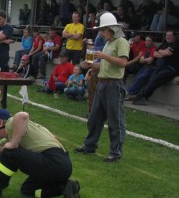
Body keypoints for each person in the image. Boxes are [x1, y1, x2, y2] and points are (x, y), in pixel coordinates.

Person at [0, 109, 81, 198]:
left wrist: (14, 143)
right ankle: (65, 187)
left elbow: (23, 116)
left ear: (1, 122)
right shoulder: (15, 133)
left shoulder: (10, 123)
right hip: (60, 165)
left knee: (9, 151)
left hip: (54, 161)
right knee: (27, 190)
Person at [75, 12, 129, 162]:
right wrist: (92, 65)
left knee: (115, 120)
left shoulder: (121, 42)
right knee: (94, 118)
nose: (100, 33)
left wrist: (103, 57)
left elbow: (123, 62)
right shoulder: (108, 43)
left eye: (102, 30)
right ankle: (89, 145)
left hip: (114, 84)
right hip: (103, 83)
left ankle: (115, 152)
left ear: (109, 28)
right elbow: (106, 63)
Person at [132, 30, 179, 105]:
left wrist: (162, 52)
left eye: (170, 35)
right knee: (151, 79)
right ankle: (142, 96)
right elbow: (155, 53)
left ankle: (141, 96)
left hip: (171, 68)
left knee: (156, 79)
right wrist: (163, 53)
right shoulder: (165, 43)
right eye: (167, 35)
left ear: (174, 37)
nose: (168, 37)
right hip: (162, 67)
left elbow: (167, 52)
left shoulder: (176, 44)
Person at [124, 35, 157, 99]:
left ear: (153, 42)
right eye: (146, 41)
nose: (147, 42)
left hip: (151, 68)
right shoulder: (145, 49)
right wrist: (145, 60)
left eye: (149, 41)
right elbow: (141, 61)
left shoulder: (154, 49)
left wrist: (145, 59)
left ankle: (129, 92)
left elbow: (150, 61)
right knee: (136, 78)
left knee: (141, 78)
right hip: (144, 66)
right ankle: (128, 92)